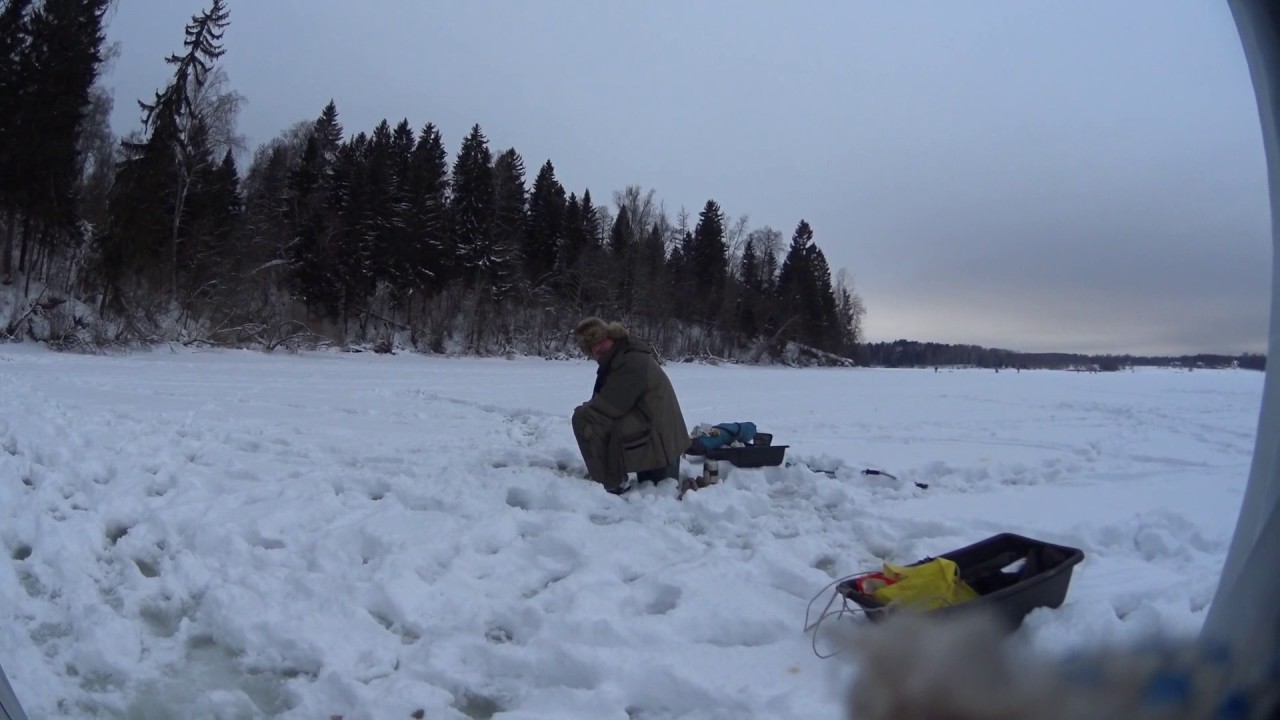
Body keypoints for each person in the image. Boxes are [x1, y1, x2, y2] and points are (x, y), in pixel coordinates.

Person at [571, 316, 689, 494]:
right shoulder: (623, 356)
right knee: (588, 416)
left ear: (612, 336)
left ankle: (610, 482)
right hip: (654, 425)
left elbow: (611, 406)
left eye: (601, 341)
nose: (598, 348)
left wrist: (585, 409)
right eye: (592, 347)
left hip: (658, 435)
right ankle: (611, 477)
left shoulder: (630, 361)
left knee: (583, 420)